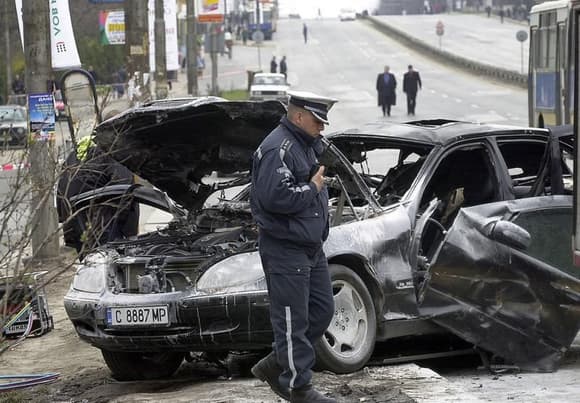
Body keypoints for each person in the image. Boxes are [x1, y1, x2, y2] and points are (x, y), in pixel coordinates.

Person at [250, 90, 338, 403]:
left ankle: (276, 364)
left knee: (322, 310)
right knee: (291, 321)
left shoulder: (303, 145)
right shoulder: (279, 148)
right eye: (317, 120)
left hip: (310, 248)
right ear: (298, 116)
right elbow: (278, 199)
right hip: (285, 248)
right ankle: (298, 388)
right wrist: (313, 187)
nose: (322, 127)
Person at [57, 135, 139, 259]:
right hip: (104, 225)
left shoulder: (74, 155)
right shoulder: (113, 154)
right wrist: (128, 231)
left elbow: (61, 190)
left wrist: (67, 226)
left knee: (90, 268)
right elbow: (126, 189)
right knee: (110, 269)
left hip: (76, 224)